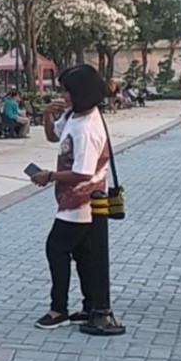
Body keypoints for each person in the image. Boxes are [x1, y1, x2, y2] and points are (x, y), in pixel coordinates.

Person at [30, 64, 110, 329]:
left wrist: (49, 176)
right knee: (83, 254)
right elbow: (54, 136)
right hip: (71, 199)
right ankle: (91, 305)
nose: (63, 96)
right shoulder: (75, 115)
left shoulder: (87, 128)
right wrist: (46, 116)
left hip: (82, 201)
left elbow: (83, 172)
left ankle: (58, 309)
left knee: (56, 248)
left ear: (83, 93)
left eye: (67, 92)